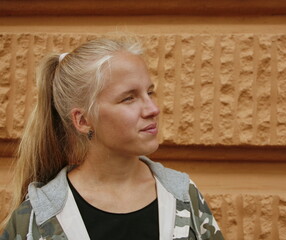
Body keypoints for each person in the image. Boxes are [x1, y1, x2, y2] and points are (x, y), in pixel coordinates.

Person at [0, 37, 224, 240]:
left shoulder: (182, 196)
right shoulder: (38, 218)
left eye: (150, 92)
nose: (153, 109)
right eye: (129, 98)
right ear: (83, 120)